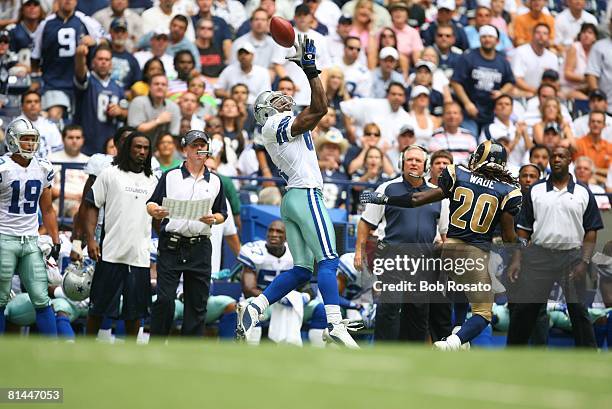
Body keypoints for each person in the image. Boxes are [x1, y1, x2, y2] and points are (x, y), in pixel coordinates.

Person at [238, 34, 359, 348]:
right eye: (275, 99)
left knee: (303, 270)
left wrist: (311, 72)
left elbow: (318, 108)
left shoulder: (278, 124)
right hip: (305, 194)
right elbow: (320, 106)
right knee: (329, 259)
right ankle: (335, 325)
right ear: (266, 112)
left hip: (293, 197)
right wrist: (311, 70)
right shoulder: (272, 125)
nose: (283, 99)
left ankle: (255, 306)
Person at [360, 140, 522, 350]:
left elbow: (417, 198)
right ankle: (452, 341)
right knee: (483, 312)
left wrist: (382, 199)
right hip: (474, 254)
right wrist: (521, 246)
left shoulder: (459, 174)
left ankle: (449, 333)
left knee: (436, 296)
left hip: (448, 250)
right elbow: (509, 237)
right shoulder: (508, 191)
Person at [507, 146, 603, 348]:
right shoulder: (536, 190)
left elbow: (591, 231)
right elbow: (523, 229)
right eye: (554, 156)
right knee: (525, 309)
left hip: (572, 257)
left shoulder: (583, 192)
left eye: (562, 156)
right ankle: (512, 354)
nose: (557, 159)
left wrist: (584, 263)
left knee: (578, 310)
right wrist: (517, 259)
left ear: (570, 160)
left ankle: (589, 355)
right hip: (539, 256)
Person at [355, 145, 450, 342]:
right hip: (391, 256)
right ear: (401, 163)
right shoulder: (386, 189)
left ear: (425, 165)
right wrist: (359, 251)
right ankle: (383, 352)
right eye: (409, 160)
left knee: (418, 311)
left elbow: (444, 233)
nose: (413, 163)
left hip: (425, 261)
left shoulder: (439, 195)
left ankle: (412, 356)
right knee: (389, 306)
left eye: (417, 160)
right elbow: (366, 223)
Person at [146, 130, 227, 339]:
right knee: (164, 299)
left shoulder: (216, 181)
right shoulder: (170, 176)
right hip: (171, 244)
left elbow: (222, 213)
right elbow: (152, 202)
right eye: (194, 145)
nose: (199, 150)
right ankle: (157, 343)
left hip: (200, 245)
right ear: (185, 150)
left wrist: (214, 219)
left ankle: (189, 351)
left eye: (203, 145)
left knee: (197, 302)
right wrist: (154, 210)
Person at [84, 131, 158, 339]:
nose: (142, 151)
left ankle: (131, 355)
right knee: (98, 308)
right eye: (137, 147)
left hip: (140, 256)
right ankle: (86, 349)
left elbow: (159, 217)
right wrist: (90, 238)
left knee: (135, 314)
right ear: (128, 148)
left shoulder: (153, 179)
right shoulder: (110, 173)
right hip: (111, 253)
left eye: (146, 148)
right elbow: (91, 204)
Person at [0, 117, 60, 336]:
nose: (30, 144)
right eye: (25, 139)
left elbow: (48, 209)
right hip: (4, 237)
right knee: (0, 298)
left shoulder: (43, 167)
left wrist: (55, 238)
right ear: (13, 141)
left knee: (41, 296)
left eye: (32, 139)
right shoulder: (3, 168)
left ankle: (52, 349)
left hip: (31, 239)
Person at [239, 221, 325, 346]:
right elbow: (248, 289)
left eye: (279, 231)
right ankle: (250, 351)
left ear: (287, 236)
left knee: (320, 309)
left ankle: (319, 353)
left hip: (291, 303)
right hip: (263, 303)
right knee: (249, 307)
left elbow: (307, 287)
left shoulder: (296, 254)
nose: (274, 234)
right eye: (271, 230)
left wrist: (304, 297)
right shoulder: (255, 252)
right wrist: (275, 297)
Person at [31, 0, 106, 121]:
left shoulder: (85, 20)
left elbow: (107, 40)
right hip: (53, 82)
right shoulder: (45, 24)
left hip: (81, 82)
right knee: (54, 116)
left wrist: (94, 41)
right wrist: (34, 79)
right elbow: (35, 56)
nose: (68, 1)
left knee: (80, 122)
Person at [451, 25, 515, 137]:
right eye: (484, 36)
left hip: (492, 114)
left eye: (490, 37)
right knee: (471, 144)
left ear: (497, 41)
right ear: (479, 39)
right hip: (469, 113)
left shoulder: (502, 61)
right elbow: (456, 82)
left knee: (490, 148)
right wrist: (467, 103)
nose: (487, 39)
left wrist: (501, 92)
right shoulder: (468, 57)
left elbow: (510, 81)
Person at [74, 43, 127, 156]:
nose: (103, 62)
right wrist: (80, 56)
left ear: (111, 64)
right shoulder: (88, 81)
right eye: (100, 59)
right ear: (93, 62)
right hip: (87, 147)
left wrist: (120, 111)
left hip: (110, 148)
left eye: (107, 59)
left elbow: (126, 113)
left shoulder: (117, 87)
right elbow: (80, 72)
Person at [128, 73, 181, 145]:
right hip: (138, 147)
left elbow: (174, 136)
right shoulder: (138, 102)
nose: (160, 87)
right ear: (149, 87)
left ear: (167, 88)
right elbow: (136, 130)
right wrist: (158, 121)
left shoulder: (174, 107)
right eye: (156, 84)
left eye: (163, 84)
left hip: (162, 151)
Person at [48, 124, 89, 218]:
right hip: (56, 200)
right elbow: (48, 189)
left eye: (78, 138)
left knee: (80, 213)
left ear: (83, 140)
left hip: (81, 203)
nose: (74, 141)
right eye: (70, 137)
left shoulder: (89, 161)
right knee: (50, 213)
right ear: (63, 139)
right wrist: (71, 196)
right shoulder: (52, 158)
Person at [511, 23, 559, 98]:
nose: (541, 35)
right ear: (532, 35)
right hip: (524, 93)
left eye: (545, 33)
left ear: (549, 37)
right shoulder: (520, 52)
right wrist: (537, 91)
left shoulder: (553, 57)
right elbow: (517, 80)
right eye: (538, 32)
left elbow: (555, 82)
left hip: (545, 95)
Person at [16, 90, 63, 159]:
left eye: (36, 101)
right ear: (22, 106)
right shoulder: (15, 126)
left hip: (49, 166)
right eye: (29, 102)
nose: (33, 104)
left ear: (40, 105)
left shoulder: (50, 125)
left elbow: (58, 150)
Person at [428, 101, 476, 166]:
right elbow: (435, 160)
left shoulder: (469, 135)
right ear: (443, 116)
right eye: (448, 113)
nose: (452, 116)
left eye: (455, 113)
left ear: (461, 117)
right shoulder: (436, 135)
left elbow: (474, 159)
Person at [573, 110, 611, 185]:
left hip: (604, 186)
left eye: (599, 122)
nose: (595, 124)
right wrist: (601, 176)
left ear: (604, 125)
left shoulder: (609, 147)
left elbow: (610, 172)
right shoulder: (578, 144)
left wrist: (593, 172)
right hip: (580, 184)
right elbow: (579, 171)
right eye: (593, 121)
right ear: (588, 124)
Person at [585, 15, 612, 113]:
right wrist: (598, 98)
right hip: (607, 107)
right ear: (610, 25)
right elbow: (591, 74)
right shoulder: (599, 47)